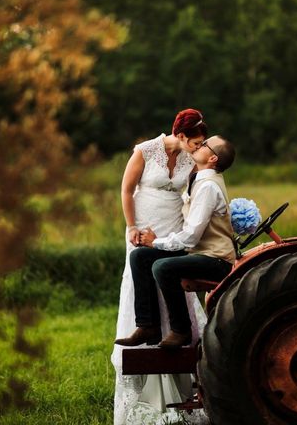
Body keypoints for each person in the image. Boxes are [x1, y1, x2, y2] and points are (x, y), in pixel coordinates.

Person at [112, 109, 209, 425]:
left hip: (171, 229)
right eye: (194, 142)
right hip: (143, 227)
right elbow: (127, 190)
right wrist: (130, 226)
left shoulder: (190, 159)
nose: (197, 148)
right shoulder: (145, 150)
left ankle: (179, 379)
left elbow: (196, 191)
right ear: (180, 136)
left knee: (170, 284)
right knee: (142, 281)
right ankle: (146, 341)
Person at [116, 135, 236, 349]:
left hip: (215, 259)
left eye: (206, 144)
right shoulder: (199, 178)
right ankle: (147, 325)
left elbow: (190, 236)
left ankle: (181, 330)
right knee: (139, 256)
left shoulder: (208, 186)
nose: (200, 145)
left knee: (163, 267)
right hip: (198, 253)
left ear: (212, 159)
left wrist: (156, 243)